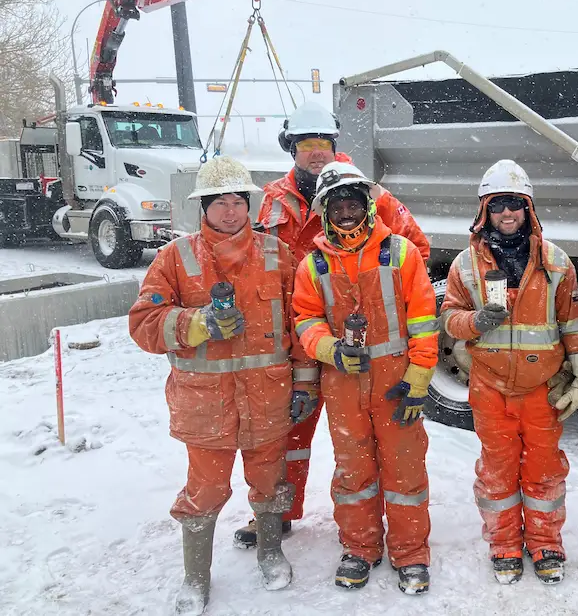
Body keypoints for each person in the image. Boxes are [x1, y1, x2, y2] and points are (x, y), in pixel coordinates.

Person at [234, 103, 431, 548]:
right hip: (298, 334)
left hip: (367, 340)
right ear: (292, 149)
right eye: (307, 145)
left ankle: (393, 531)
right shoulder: (272, 199)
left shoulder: (368, 193)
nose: (316, 153)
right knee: (289, 430)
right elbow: (251, 260)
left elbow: (414, 247)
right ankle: (276, 512)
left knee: (374, 441)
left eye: (324, 144)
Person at [129, 157, 299, 615]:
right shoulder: (175, 257)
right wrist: (197, 323)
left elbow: (302, 323)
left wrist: (302, 383)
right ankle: (196, 576)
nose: (230, 212)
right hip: (207, 406)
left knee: (270, 482)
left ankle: (269, 551)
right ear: (202, 207)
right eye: (220, 203)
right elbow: (144, 324)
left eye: (237, 202)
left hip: (268, 396)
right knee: (204, 491)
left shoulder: (277, 255)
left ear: (249, 206)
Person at [439, 159, 578, 585]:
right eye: (499, 206)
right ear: (485, 212)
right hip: (489, 388)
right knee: (498, 470)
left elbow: (573, 324)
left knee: (544, 469)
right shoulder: (463, 265)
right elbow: (450, 319)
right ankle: (505, 545)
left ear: (528, 209)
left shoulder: (557, 262)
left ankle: (546, 543)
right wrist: (476, 322)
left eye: (515, 204)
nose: (507, 214)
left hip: (541, 390)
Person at [291, 164, 439, 594]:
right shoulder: (313, 265)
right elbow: (305, 319)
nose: (346, 211)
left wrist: (417, 378)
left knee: (404, 468)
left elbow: (425, 321)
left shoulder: (403, 253)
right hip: (343, 380)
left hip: (397, 380)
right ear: (324, 211)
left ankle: (410, 553)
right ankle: (360, 548)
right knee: (353, 470)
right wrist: (330, 350)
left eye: (353, 202)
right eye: (337, 204)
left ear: (368, 205)